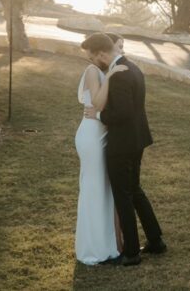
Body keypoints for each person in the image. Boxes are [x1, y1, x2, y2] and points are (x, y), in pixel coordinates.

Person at [81, 33, 165, 266]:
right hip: (137, 140)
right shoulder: (133, 67)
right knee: (135, 190)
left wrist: (97, 114)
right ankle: (156, 241)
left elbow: (123, 113)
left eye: (93, 56)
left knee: (123, 195)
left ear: (102, 53)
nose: (94, 61)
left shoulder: (119, 75)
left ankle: (131, 252)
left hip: (122, 144)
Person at [74, 35, 124, 265]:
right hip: (92, 137)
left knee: (102, 190)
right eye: (91, 55)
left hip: (99, 134)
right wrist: (110, 78)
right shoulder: (93, 71)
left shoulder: (99, 70)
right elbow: (98, 104)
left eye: (92, 53)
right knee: (94, 191)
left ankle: (107, 246)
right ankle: (94, 251)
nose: (92, 57)